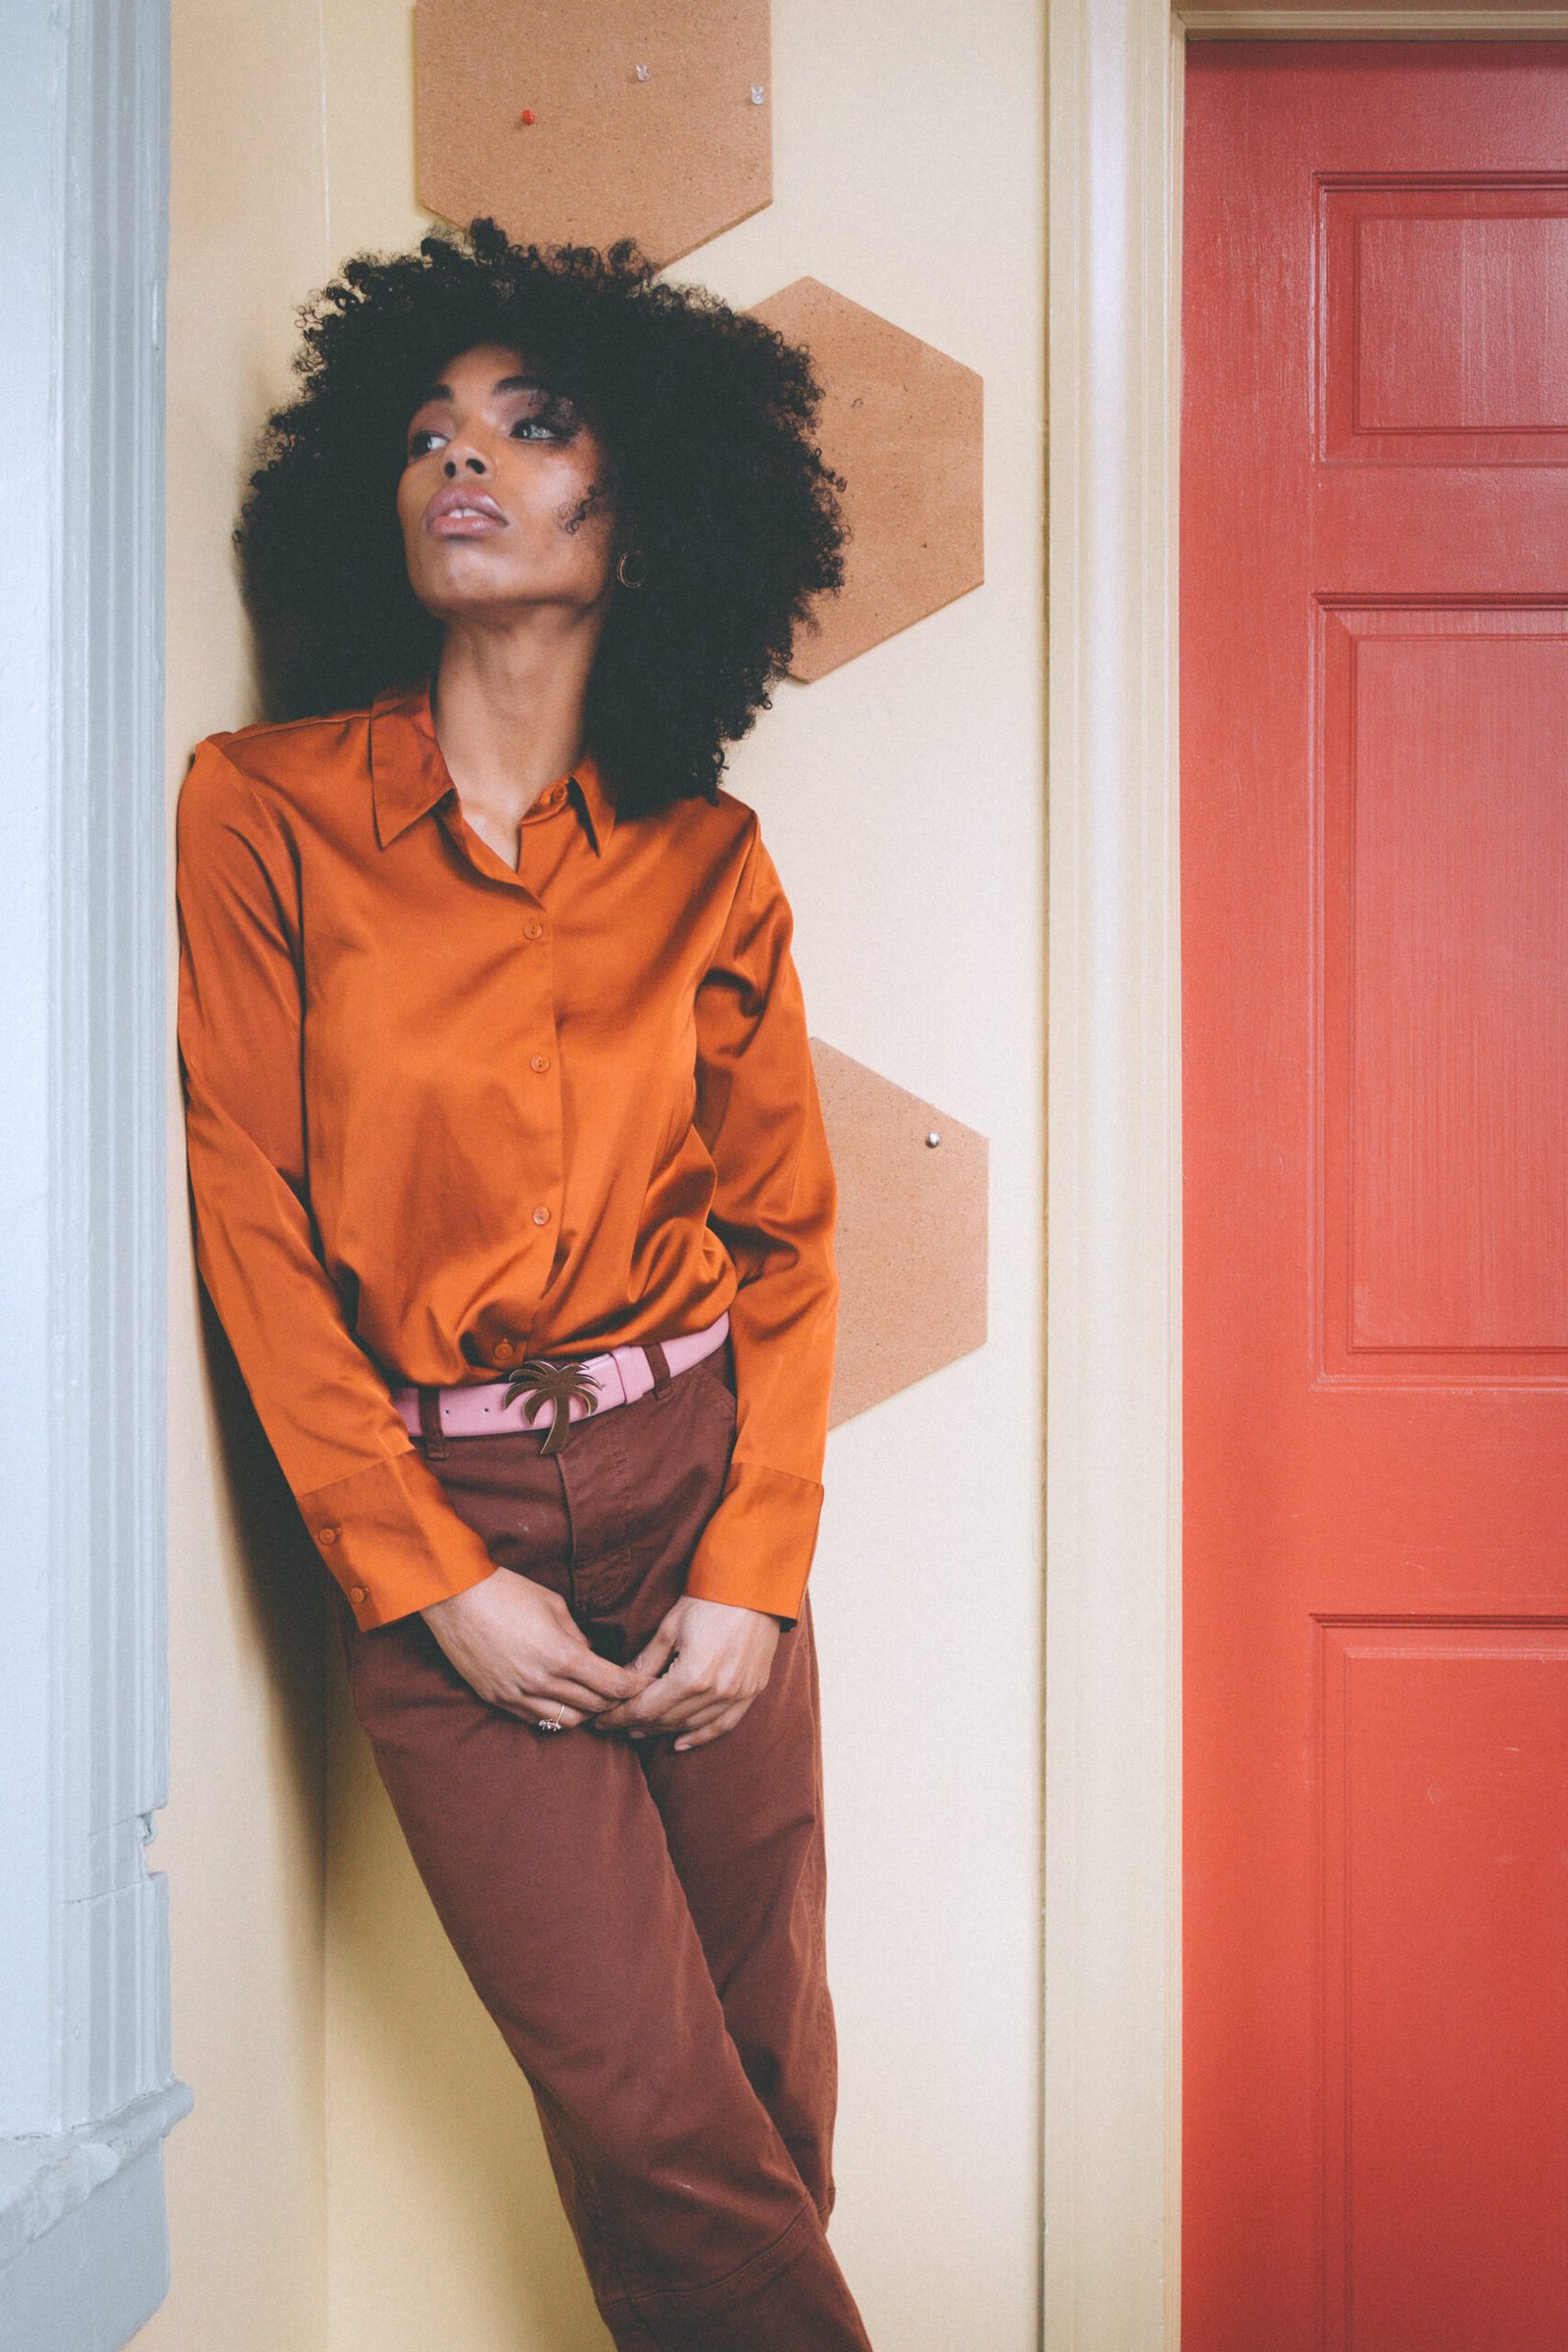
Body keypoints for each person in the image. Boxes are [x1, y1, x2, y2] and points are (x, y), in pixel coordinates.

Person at [174, 219, 873, 2351]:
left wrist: (752, 1567)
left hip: (693, 1475)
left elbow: (785, 1234)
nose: (457, 459)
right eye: (422, 433)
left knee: (759, 2088)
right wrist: (420, 1576)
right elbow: (253, 1223)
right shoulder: (261, 816)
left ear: (638, 509)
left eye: (528, 422)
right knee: (649, 2104)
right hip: (440, 1517)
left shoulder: (703, 856)